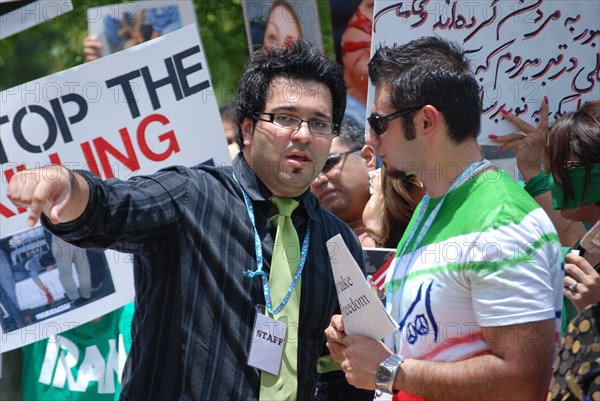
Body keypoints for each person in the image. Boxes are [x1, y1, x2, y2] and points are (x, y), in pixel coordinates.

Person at [7, 40, 373, 401]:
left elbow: (342, 374)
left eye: (320, 123)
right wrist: (69, 186)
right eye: (286, 118)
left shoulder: (337, 243)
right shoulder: (191, 196)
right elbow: (110, 208)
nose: (304, 135)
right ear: (246, 130)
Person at [324, 36, 563, 400]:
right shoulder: (429, 208)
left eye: (377, 121)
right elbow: (425, 344)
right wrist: (363, 342)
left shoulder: (502, 219)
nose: (369, 139)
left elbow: (521, 381)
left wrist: (389, 370)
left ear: (426, 121)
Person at [492, 100, 600, 400]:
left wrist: (595, 310)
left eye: (565, 166)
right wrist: (530, 169)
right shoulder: (584, 246)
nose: (555, 178)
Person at [310, 118, 378, 243]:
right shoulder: (306, 242)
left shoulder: (414, 215)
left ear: (367, 158)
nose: (316, 180)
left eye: (327, 164)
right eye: (309, 172)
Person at [50, 234, 92, 305]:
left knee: (65, 274)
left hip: (61, 241)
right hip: (77, 236)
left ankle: (74, 296)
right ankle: (86, 295)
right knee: (83, 269)